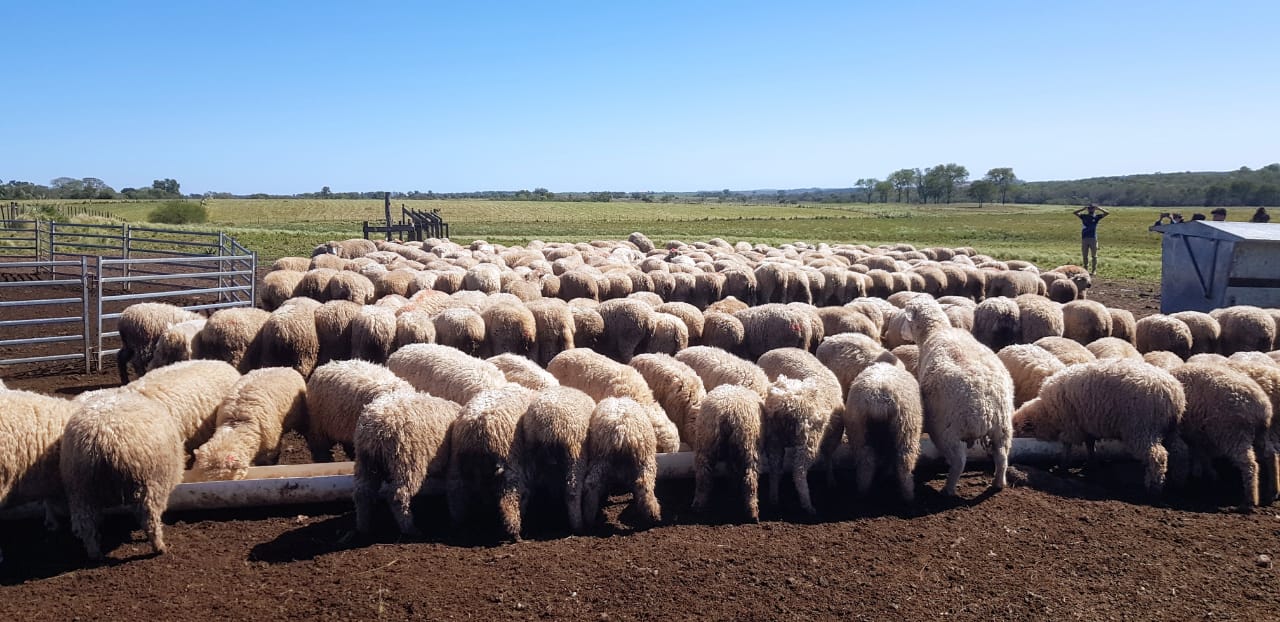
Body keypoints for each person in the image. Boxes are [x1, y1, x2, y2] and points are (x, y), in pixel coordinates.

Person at [1073, 203, 1109, 275]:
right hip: (1085, 238)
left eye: (1092, 208)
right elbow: (1075, 213)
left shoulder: (1096, 217)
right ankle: (1085, 269)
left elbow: (1107, 213)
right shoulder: (1084, 216)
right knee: (1085, 255)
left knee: (1094, 256)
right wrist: (1083, 209)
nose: (1091, 209)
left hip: (1093, 238)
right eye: (1089, 208)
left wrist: (1099, 208)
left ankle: (1093, 270)